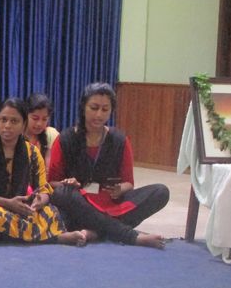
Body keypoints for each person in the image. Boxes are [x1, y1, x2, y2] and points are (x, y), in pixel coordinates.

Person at [48, 82, 168, 249]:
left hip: (111, 204)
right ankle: (131, 237)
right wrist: (68, 183)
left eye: (105, 109)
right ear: (83, 107)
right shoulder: (65, 139)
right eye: (94, 108)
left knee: (161, 192)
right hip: (78, 203)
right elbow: (51, 183)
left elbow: (129, 183)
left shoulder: (119, 140)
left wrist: (120, 189)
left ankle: (96, 231)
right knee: (62, 193)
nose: (99, 114)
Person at [0, 98, 92, 246]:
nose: (7, 126)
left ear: (24, 124)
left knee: (50, 211)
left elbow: (44, 188)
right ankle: (55, 238)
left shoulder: (32, 152)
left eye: (14, 121)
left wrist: (40, 201)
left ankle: (3, 234)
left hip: (21, 205)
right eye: (3, 120)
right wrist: (8, 203)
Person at [24, 92, 60, 170]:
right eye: (35, 118)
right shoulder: (16, 136)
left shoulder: (51, 135)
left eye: (44, 119)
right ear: (25, 115)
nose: (39, 124)